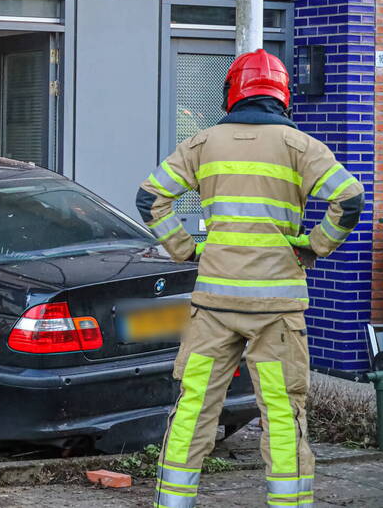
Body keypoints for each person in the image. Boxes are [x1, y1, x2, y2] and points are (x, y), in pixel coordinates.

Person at [136, 49, 364, 508]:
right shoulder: (302, 147)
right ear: (281, 94)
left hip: (214, 308)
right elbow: (350, 200)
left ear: (232, 91)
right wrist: (313, 245)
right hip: (276, 312)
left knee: (193, 409)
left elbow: (150, 199)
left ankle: (173, 503)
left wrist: (187, 250)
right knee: (281, 414)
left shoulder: (201, 145)